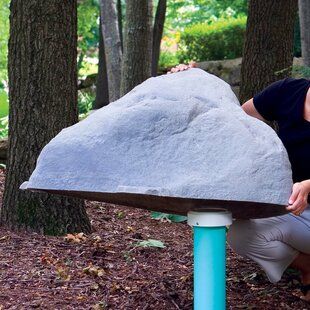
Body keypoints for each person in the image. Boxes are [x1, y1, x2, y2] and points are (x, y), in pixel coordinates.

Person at [169, 64, 310, 301]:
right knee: (242, 233)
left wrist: (308, 185)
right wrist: (192, 81)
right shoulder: (288, 91)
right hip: (295, 208)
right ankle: (308, 267)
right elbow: (234, 118)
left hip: (303, 201)